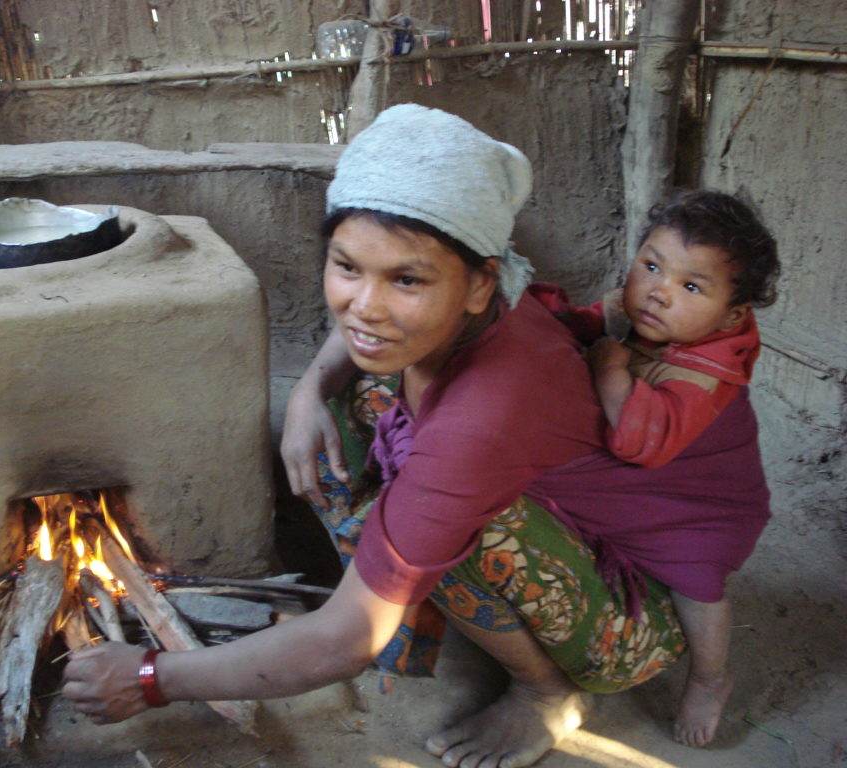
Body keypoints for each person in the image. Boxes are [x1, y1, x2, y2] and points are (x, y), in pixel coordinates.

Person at [63, 105, 771, 768]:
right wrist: (309, 392)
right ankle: (406, 558)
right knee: (363, 398)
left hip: (635, 614)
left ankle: (548, 692)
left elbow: (347, 641)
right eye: (346, 266)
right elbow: (366, 326)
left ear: (476, 284)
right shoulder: (490, 286)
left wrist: (153, 675)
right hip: (569, 511)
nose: (362, 306)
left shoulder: (486, 415)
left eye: (406, 279)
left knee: (437, 505)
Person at [529, 190, 780, 746]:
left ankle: (711, 677)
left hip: (705, 509)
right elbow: (589, 325)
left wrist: (610, 371)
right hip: (655, 489)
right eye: (651, 265)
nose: (659, 292)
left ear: (732, 314)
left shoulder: (705, 374)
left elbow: (645, 440)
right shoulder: (639, 312)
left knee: (697, 583)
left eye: (691, 287)